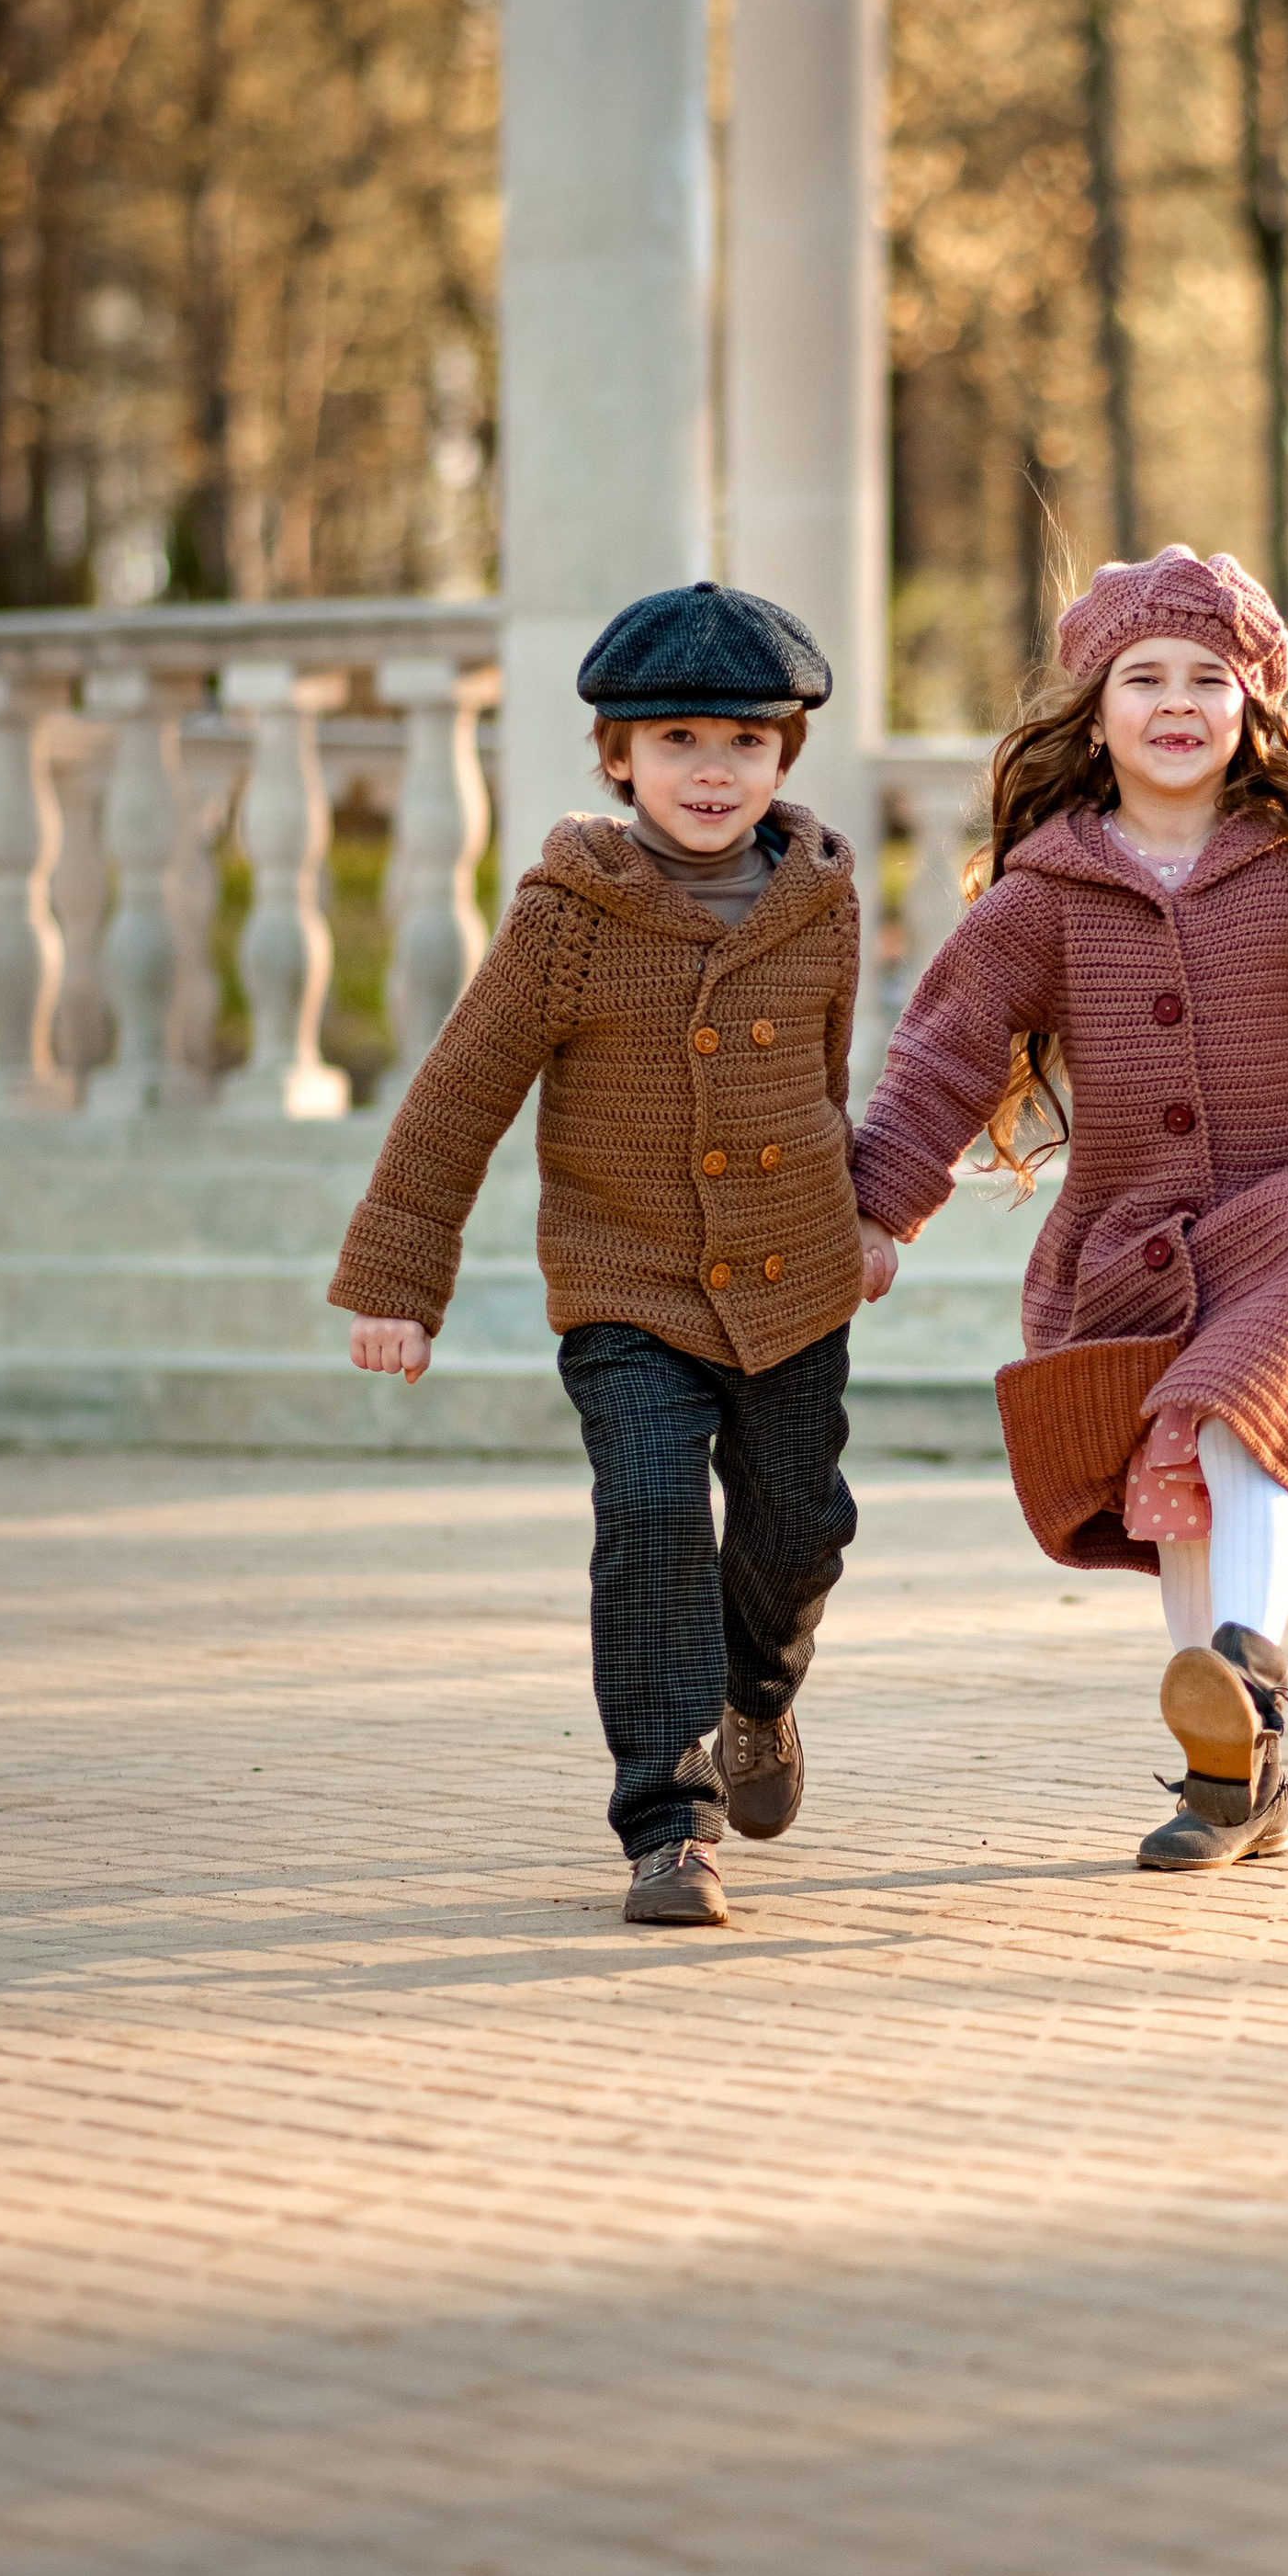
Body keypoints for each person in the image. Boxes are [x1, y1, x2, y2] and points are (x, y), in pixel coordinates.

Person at [851, 544, 1288, 1873]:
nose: (1177, 700)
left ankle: (1246, 1675)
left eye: (1210, 677)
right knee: (1180, 1476)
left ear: (1252, 708)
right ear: (1093, 712)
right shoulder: (1043, 894)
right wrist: (878, 1208)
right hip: (1134, 1231)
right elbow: (945, 1052)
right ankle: (1231, 1777)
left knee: (1241, 1403)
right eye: (1143, 675)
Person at [330, 582, 890, 1930]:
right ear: (618, 757)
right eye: (681, 742)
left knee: (797, 1525)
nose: (714, 771)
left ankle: (759, 1698)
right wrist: (401, 1285)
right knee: (647, 1519)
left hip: (794, 1279)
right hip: (624, 1281)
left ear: (784, 758)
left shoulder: (822, 900)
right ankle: (668, 1817)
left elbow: (825, 1079)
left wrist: (863, 1213)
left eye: (745, 743)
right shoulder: (566, 916)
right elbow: (460, 1093)